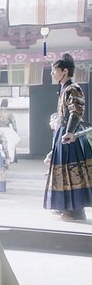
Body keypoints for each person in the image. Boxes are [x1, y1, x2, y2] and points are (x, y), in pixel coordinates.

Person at [44, 53, 92, 221]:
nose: (52, 73)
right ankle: (66, 208)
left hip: (70, 136)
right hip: (64, 133)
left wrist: (69, 132)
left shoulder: (73, 88)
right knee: (63, 172)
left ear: (64, 71)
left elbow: (76, 112)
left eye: (54, 70)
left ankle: (75, 211)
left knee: (72, 172)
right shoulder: (65, 88)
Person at [0, 98, 20, 163]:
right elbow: (14, 124)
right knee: (9, 145)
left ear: (1, 104)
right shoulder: (10, 114)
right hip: (7, 130)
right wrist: (15, 133)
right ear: (7, 104)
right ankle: (9, 158)